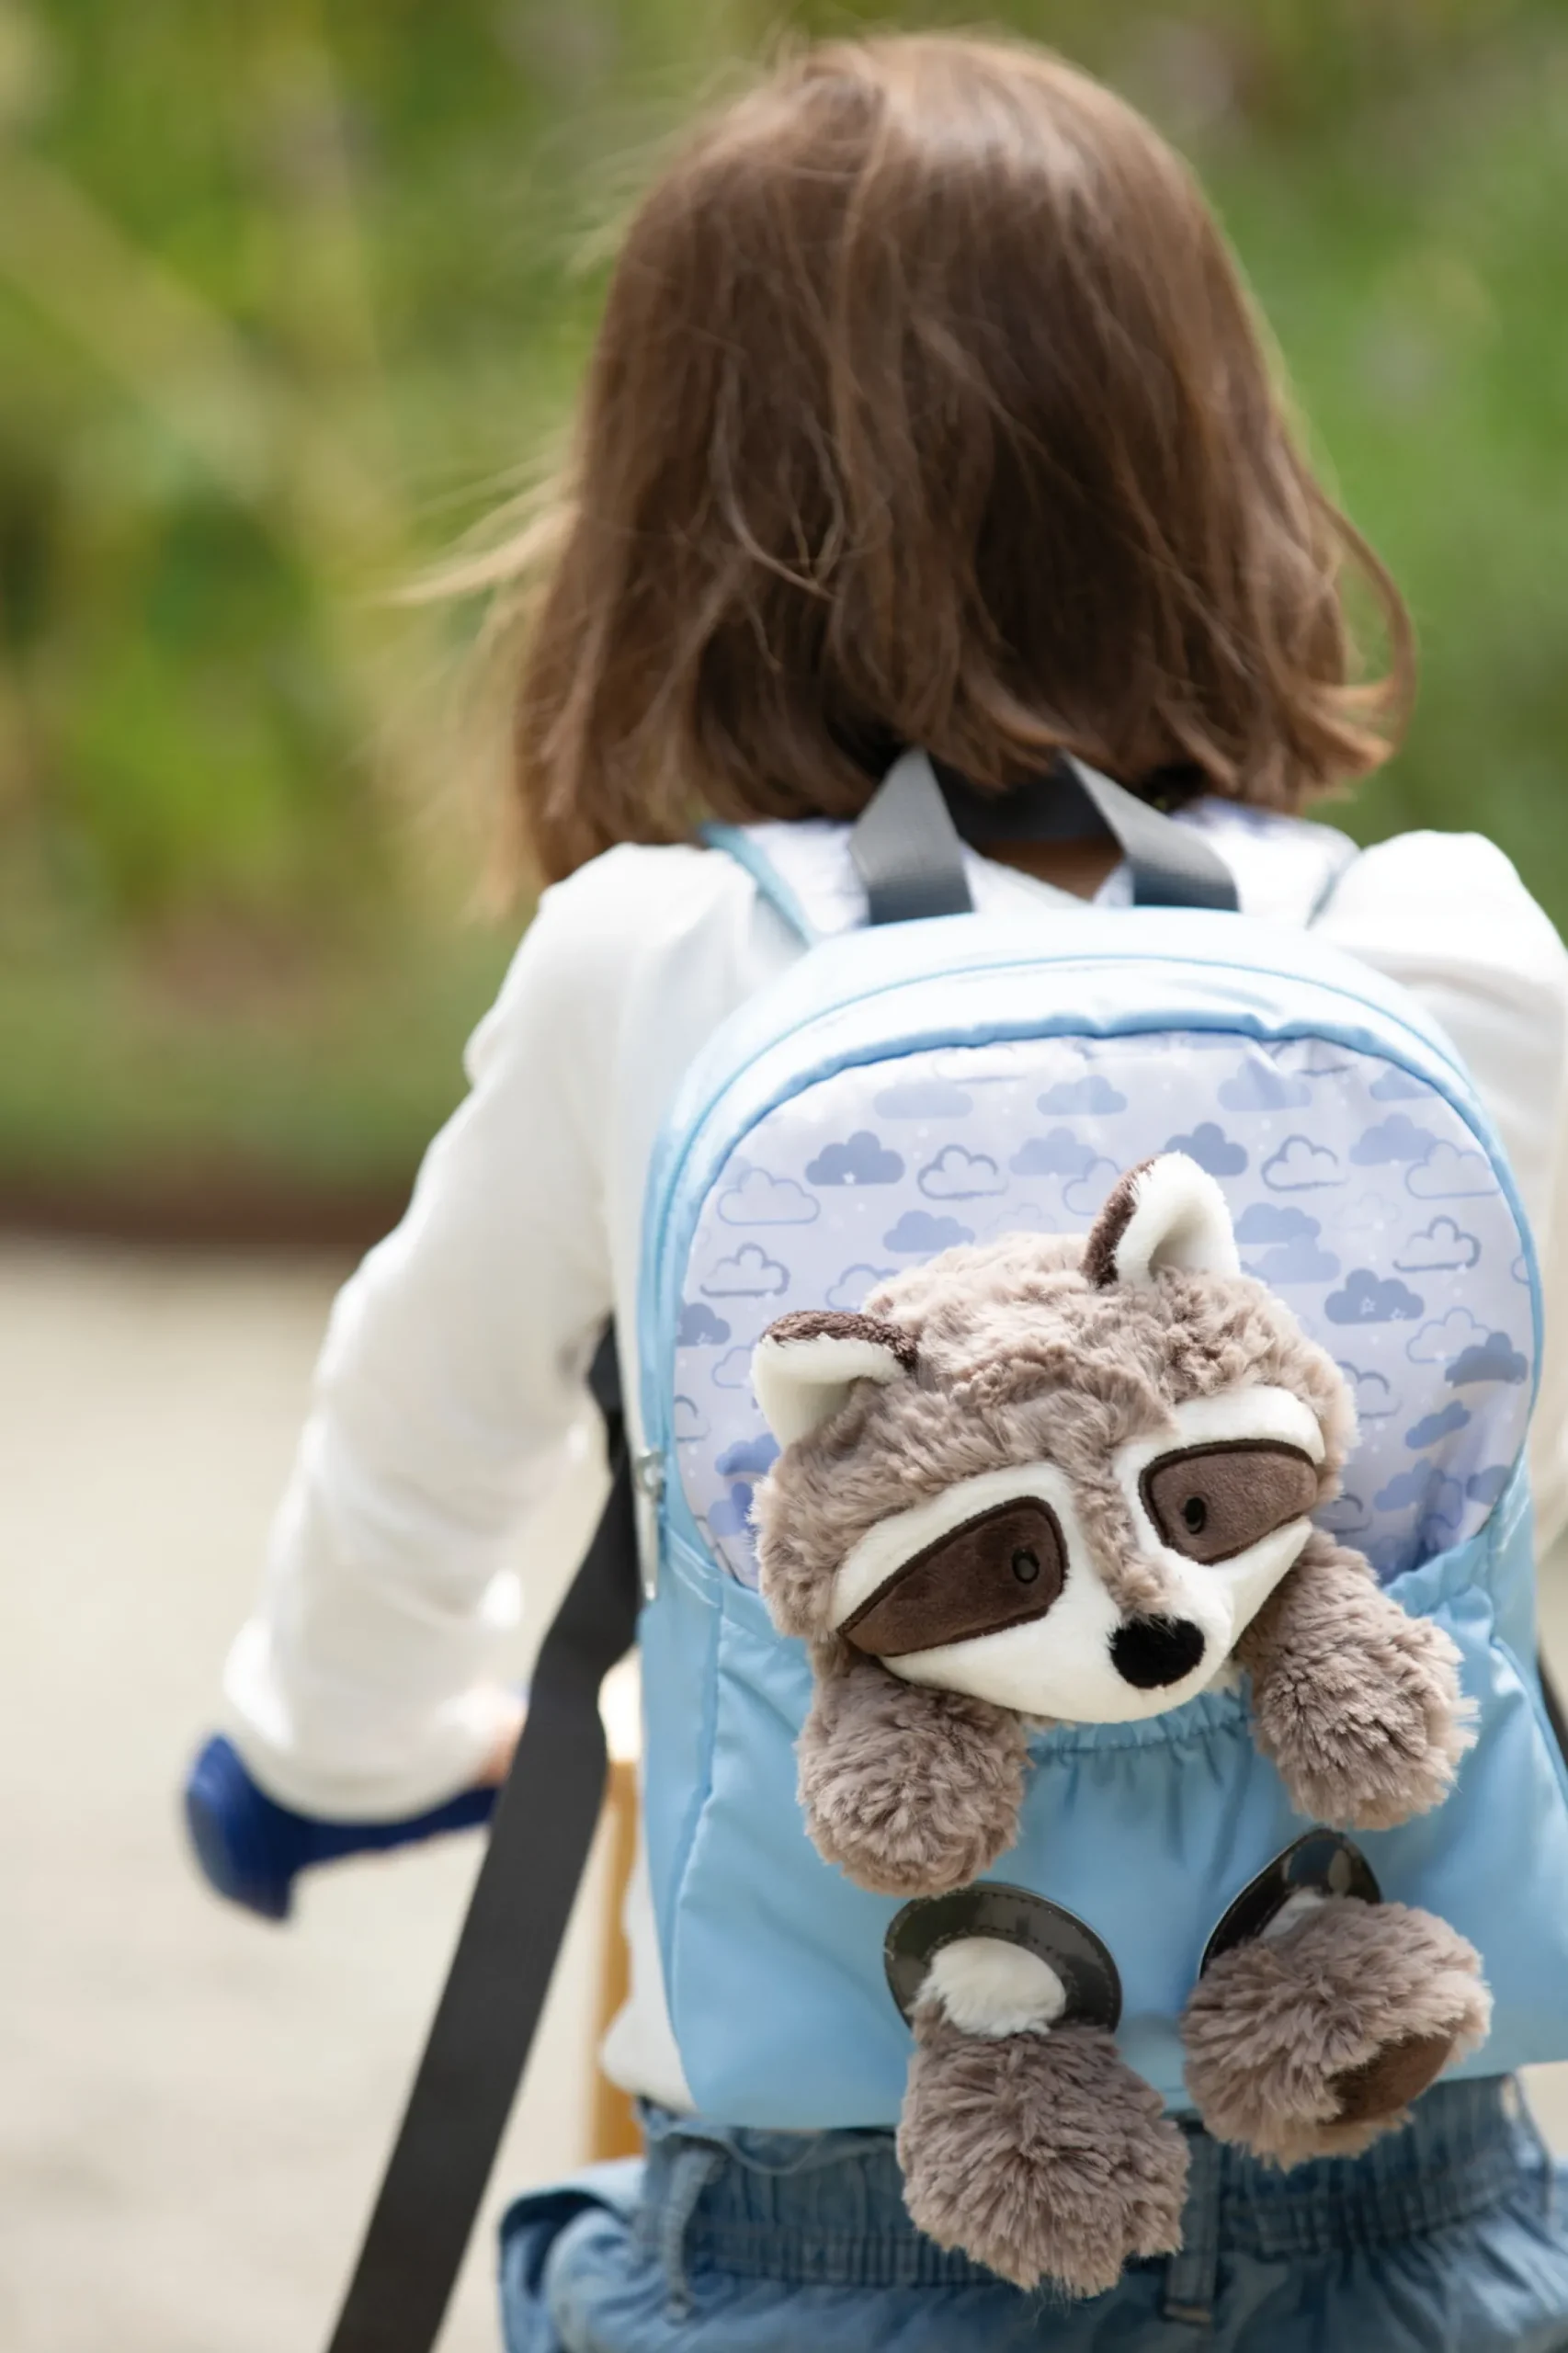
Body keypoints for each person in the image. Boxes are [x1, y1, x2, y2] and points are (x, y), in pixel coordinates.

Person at [205, 33, 1568, 2352]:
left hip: (839, 2236)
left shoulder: (656, 952)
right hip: (1403, 2197)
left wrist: (317, 1754)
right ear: (1217, 460)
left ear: (657, 521)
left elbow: (416, 1427)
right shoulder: (1435, 942)